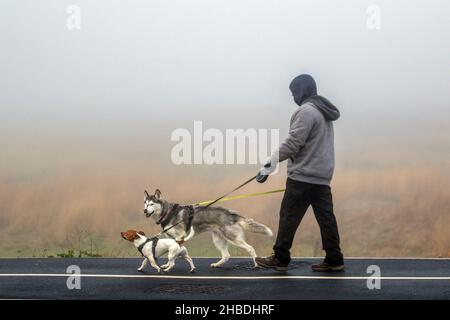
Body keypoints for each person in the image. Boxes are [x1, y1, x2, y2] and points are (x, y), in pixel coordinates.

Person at [255, 74, 344, 272]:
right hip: (322, 176)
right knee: (326, 218)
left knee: (288, 216)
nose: (293, 96)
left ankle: (280, 258)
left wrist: (269, 164)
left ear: (302, 91)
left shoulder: (306, 111)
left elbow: (293, 143)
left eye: (294, 92)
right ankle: (335, 258)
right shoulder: (323, 112)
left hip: (302, 177)